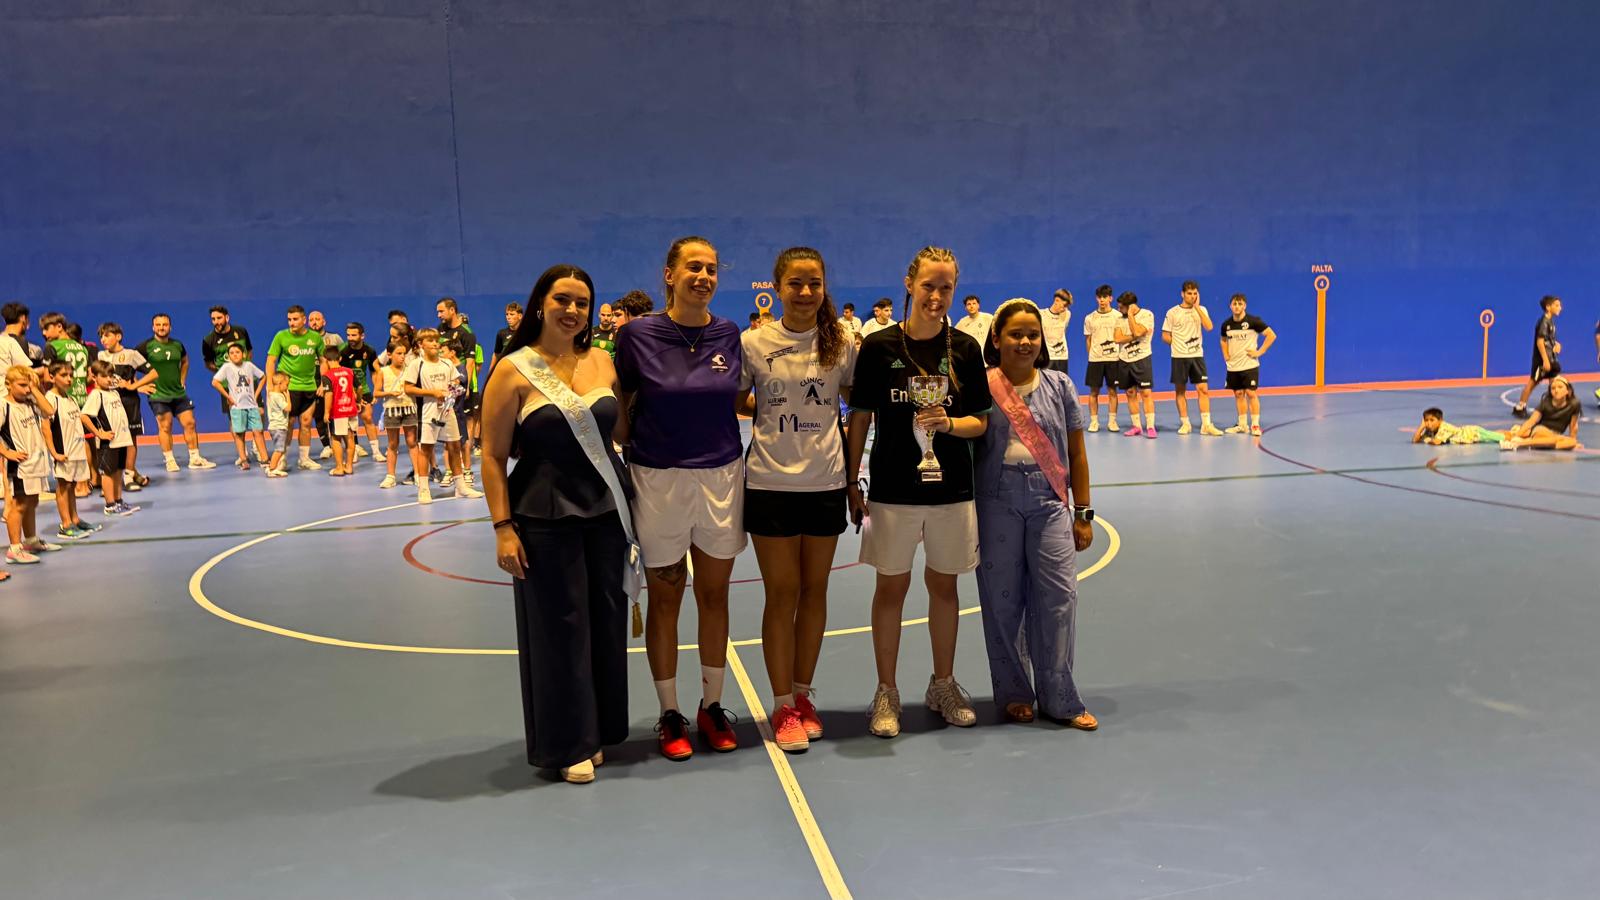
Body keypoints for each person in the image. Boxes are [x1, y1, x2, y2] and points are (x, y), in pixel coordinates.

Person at [482, 264, 632, 785]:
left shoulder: (603, 361)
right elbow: (492, 455)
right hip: (543, 515)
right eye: (562, 300)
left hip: (607, 512)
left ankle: (598, 730)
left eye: (582, 303)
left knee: (605, 621)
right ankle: (567, 743)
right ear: (540, 305)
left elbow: (623, 433)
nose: (572, 311)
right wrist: (502, 527)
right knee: (558, 628)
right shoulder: (512, 370)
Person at [845, 246, 991, 738]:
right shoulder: (878, 346)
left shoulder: (965, 349)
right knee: (891, 588)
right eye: (928, 285)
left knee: (944, 587)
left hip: (952, 490)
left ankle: (942, 684)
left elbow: (980, 423)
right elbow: (860, 418)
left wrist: (949, 423)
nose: (936, 295)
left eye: (946, 287)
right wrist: (852, 481)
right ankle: (886, 691)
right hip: (892, 490)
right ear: (909, 284)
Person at [614, 236, 745, 760]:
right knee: (666, 596)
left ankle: (712, 707)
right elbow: (621, 397)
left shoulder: (729, 334)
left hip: (720, 477)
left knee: (714, 595)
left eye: (711, 269)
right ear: (669, 274)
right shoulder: (637, 335)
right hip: (658, 478)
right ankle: (670, 713)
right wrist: (626, 444)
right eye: (693, 267)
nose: (703, 277)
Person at [739, 247, 857, 753]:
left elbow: (854, 402)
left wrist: (853, 478)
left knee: (815, 592)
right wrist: (771, 406)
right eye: (795, 283)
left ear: (824, 287)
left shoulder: (842, 342)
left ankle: (804, 696)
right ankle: (782, 703)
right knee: (782, 592)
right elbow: (738, 399)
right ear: (777, 287)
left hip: (826, 482)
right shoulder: (752, 342)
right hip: (770, 483)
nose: (805, 292)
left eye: (814, 283)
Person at [973, 299, 1098, 729]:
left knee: (1059, 597)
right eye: (1015, 334)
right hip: (995, 501)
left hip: (1049, 502)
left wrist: (1083, 511)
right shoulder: (981, 385)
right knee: (1002, 600)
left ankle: (1060, 697)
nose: (1025, 342)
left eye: (1033, 334)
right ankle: (1014, 694)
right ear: (996, 339)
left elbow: (1077, 453)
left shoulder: (1060, 386)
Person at [406, 329, 482, 502]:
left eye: (436, 340)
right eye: (430, 340)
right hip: (428, 411)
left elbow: (456, 380)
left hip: (449, 411)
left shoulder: (447, 363)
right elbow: (408, 388)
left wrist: (454, 385)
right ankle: (423, 490)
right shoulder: (417, 364)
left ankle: (461, 488)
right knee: (426, 449)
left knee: (454, 446)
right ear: (420, 344)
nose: (435, 343)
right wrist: (433, 393)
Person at [137, 313, 215, 471]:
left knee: (190, 423)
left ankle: (195, 459)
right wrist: (138, 387)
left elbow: (185, 361)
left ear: (170, 327)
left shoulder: (177, 345)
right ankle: (170, 460)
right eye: (158, 325)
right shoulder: (146, 346)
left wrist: (182, 380)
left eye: (164, 324)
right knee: (165, 426)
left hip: (178, 393)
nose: (161, 327)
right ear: (153, 327)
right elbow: (129, 366)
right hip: (158, 395)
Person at [1, 365, 63, 563]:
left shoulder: (31, 402)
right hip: (20, 466)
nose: (26, 389)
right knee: (18, 505)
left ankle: (30, 541)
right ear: (8, 384)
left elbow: (50, 410)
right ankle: (14, 549)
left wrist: (34, 388)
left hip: (37, 463)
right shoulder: (3, 405)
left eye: (28, 385)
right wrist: (6, 452)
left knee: (32, 502)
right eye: (22, 385)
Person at [39, 362, 99, 540]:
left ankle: (75, 519)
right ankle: (66, 525)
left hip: (76, 450)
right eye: (64, 375)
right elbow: (46, 428)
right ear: (52, 377)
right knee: (63, 486)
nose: (69, 379)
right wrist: (54, 453)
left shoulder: (70, 398)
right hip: (63, 452)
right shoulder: (50, 399)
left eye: (71, 375)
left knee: (72, 485)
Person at [264, 305, 326, 472]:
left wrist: (323, 383)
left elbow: (323, 360)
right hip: (289, 387)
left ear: (304, 320)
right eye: (289, 319)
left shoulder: (315, 338)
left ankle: (304, 459)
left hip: (309, 386)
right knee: (289, 423)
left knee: (306, 422)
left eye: (295, 319)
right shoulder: (281, 336)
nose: (291, 322)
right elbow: (271, 360)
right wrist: (270, 383)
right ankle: (282, 459)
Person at [95, 323, 152, 490]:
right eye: (101, 336)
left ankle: (128, 476)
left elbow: (153, 373)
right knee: (111, 440)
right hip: (109, 404)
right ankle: (115, 476)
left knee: (130, 439)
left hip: (129, 403)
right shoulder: (101, 355)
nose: (103, 339)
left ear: (118, 336)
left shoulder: (131, 354)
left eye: (107, 335)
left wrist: (134, 386)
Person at [1163, 281, 1222, 435]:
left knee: (1203, 390)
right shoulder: (1172, 312)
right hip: (1179, 357)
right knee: (1180, 391)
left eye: (1195, 293)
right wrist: (1177, 343)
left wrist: (1197, 307)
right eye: (1189, 293)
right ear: (1182, 294)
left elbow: (1209, 327)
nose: (1192, 296)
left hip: (1197, 356)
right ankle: (1185, 424)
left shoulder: (1202, 309)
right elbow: (1165, 335)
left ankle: (1206, 425)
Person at [81, 362, 140, 514]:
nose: (108, 379)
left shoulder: (114, 393)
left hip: (121, 440)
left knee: (118, 471)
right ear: (94, 377)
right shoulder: (96, 395)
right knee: (107, 473)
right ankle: (110, 505)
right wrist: (98, 433)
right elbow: (84, 416)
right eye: (104, 376)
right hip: (108, 443)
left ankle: (118, 501)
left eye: (110, 376)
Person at [1218, 294, 1275, 436]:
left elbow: (1271, 335)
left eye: (1240, 304)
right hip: (1233, 366)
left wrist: (1260, 351)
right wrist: (1226, 355)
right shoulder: (1226, 325)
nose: (1237, 306)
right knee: (1238, 394)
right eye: (1234, 304)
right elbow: (1223, 340)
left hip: (1250, 365)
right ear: (1230, 306)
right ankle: (1242, 425)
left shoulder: (1254, 322)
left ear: (1245, 306)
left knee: (1251, 393)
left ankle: (1255, 425)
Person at [210, 343, 269, 470]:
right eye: (231, 353)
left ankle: (265, 459)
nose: (235, 355)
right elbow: (215, 382)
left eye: (237, 352)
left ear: (244, 354)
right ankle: (243, 459)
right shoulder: (227, 367)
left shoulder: (249, 365)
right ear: (228, 356)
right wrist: (228, 396)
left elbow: (263, 377)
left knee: (258, 431)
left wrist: (256, 394)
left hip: (252, 405)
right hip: (237, 407)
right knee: (239, 433)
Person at [375, 341, 420, 489]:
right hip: (392, 409)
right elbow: (376, 393)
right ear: (389, 355)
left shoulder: (410, 370)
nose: (402, 357)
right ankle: (390, 476)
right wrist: (389, 393)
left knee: (412, 442)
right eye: (398, 353)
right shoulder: (383, 371)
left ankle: (418, 475)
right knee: (393, 444)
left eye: (404, 354)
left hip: (409, 408)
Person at [1113, 291, 1157, 438]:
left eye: (1121, 307)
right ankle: (1136, 426)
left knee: (1146, 393)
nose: (1118, 309)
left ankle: (1150, 427)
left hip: (1142, 359)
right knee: (1130, 393)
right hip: (1124, 360)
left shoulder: (1147, 315)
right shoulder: (1119, 319)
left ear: (1130, 306)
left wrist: (1131, 316)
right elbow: (1117, 339)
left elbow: (1138, 332)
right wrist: (1135, 336)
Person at [1081, 284, 1123, 432]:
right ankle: (1094, 422)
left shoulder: (1118, 316)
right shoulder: (1089, 318)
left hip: (1113, 360)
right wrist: (1091, 356)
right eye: (1099, 297)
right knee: (1094, 392)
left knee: (1112, 392)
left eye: (1105, 297)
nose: (1102, 300)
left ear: (1110, 298)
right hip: (1095, 360)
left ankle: (1112, 421)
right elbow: (1088, 340)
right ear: (1096, 298)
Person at [339, 322, 383, 461]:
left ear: (362, 336)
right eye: (348, 335)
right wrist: (354, 396)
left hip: (363, 389)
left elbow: (375, 372)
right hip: (346, 390)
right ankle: (352, 453)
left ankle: (376, 452)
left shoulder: (369, 351)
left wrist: (376, 390)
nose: (350, 338)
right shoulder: (343, 351)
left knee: (368, 418)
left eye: (354, 335)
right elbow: (342, 375)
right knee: (349, 423)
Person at [1512, 296, 1562, 419]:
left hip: (1551, 358)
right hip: (1542, 361)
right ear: (1548, 307)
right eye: (1557, 305)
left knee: (1554, 382)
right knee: (1533, 382)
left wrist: (1556, 344)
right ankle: (1520, 407)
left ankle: (1553, 406)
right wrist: (1545, 360)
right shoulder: (1544, 322)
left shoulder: (1550, 322)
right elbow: (1540, 342)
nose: (1560, 308)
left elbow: (1548, 340)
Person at [1502, 376, 1583, 451]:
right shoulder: (1545, 403)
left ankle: (1535, 443)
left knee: (1572, 442)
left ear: (1568, 391)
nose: (1556, 390)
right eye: (1553, 388)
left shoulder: (1574, 404)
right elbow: (1531, 421)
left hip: (1555, 435)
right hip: (1540, 430)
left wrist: (1573, 441)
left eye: (1560, 387)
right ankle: (1520, 443)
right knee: (1553, 440)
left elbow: (1573, 426)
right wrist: (1518, 435)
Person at [200, 305, 252, 418]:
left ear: (227, 318)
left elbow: (249, 350)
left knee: (259, 412)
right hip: (228, 385)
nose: (216, 322)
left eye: (219, 318)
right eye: (213, 319)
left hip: (248, 380)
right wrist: (223, 373)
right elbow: (208, 363)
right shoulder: (208, 340)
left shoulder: (241, 331)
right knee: (235, 417)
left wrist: (245, 368)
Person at [321, 347, 360, 477]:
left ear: (326, 360)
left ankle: (339, 468)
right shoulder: (349, 371)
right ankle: (349, 466)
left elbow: (329, 395)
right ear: (340, 358)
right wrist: (358, 401)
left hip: (338, 412)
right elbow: (359, 387)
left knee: (336, 438)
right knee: (350, 438)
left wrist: (326, 412)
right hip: (351, 410)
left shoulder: (327, 376)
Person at [1412, 408, 1505, 446]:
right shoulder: (1430, 430)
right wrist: (1421, 427)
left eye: (1432, 420)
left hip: (1473, 433)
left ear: (1440, 420)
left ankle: (1512, 438)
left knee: (1501, 438)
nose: (1429, 423)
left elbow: (1437, 442)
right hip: (1472, 437)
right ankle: (1505, 432)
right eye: (1426, 421)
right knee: (1494, 435)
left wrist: (1428, 440)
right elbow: (1415, 440)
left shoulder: (1444, 427)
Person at [1040, 289, 1073, 377]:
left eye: (1067, 306)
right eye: (1064, 305)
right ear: (1057, 300)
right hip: (1047, 357)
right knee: (1046, 384)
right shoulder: (1041, 315)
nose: (1065, 309)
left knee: (1062, 383)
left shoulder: (1067, 314)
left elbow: (1063, 331)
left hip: (1062, 357)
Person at [264, 372, 291, 478]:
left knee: (279, 448)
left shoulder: (271, 395)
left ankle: (272, 466)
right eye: (286, 385)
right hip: (279, 427)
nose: (287, 387)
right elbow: (288, 408)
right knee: (279, 450)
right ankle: (272, 469)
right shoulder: (278, 396)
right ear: (280, 383)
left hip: (275, 427)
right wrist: (288, 397)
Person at [489, 302, 524, 373]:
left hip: (523, 372)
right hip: (507, 372)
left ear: (520, 316)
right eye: (507, 314)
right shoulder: (501, 333)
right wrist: (490, 373)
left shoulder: (527, 333)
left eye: (512, 314)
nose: (508, 317)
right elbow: (496, 354)